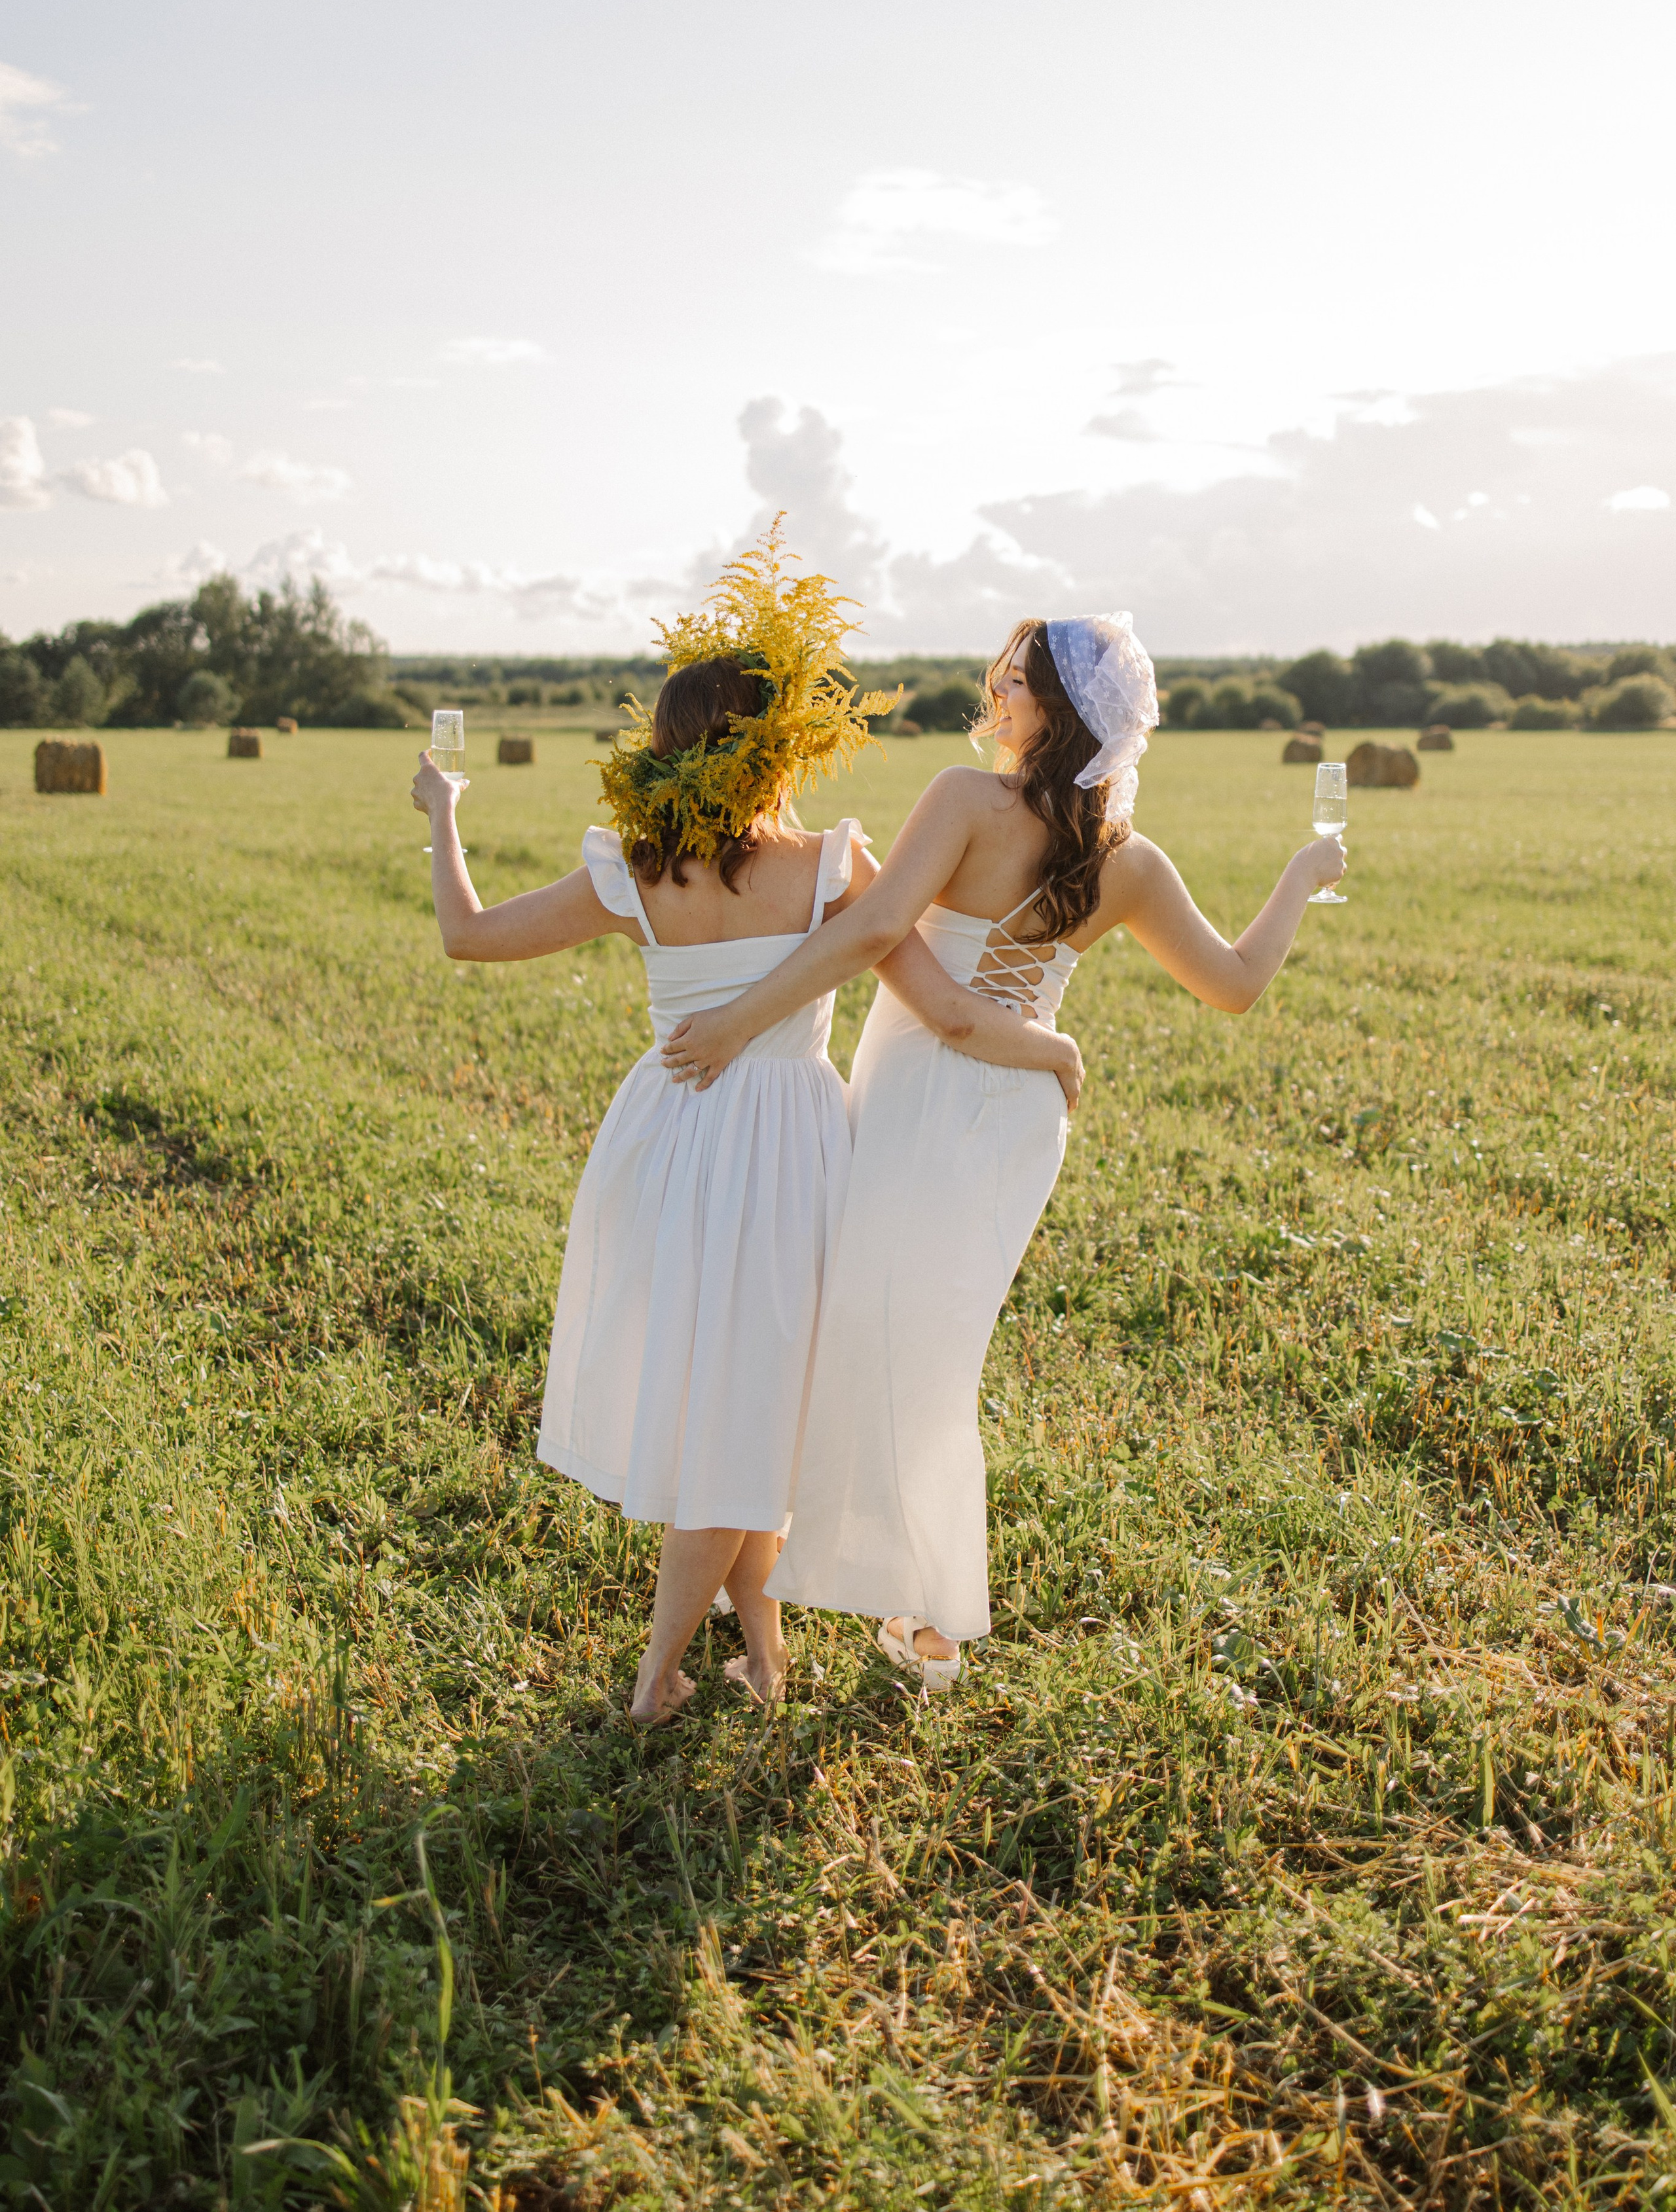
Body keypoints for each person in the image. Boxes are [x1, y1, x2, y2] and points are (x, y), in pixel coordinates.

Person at [409, 538, 1082, 1724]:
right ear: (776, 744)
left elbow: (466, 935)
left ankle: (761, 1655)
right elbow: (937, 1005)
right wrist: (1048, 1044)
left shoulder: (632, 869)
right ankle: (658, 1672)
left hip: (665, 1141)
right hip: (787, 1150)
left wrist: (443, 816)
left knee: (736, 1403)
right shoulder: (833, 867)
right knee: (749, 1410)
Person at [660, 612, 1348, 1687]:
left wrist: (742, 1018)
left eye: (1019, 679)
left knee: (880, 1339)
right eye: (1005, 669)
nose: (997, 686)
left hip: (924, 1089)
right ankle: (912, 1616)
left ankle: (904, 1610)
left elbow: (869, 928)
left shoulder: (966, 800)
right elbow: (1239, 981)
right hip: (1022, 1111)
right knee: (933, 1357)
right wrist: (1297, 879)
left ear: (1066, 714)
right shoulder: (1127, 860)